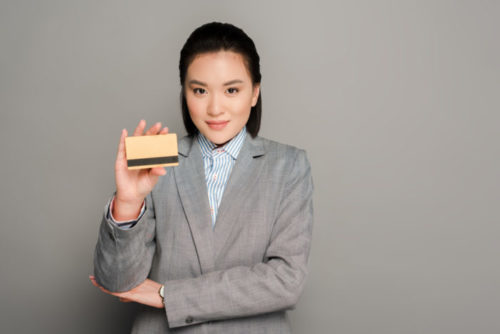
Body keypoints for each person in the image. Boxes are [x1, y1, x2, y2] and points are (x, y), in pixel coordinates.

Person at [90, 22, 313, 333]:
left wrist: (168, 295)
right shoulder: (154, 155)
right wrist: (128, 202)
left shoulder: (288, 165)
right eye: (199, 90)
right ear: (185, 92)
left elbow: (285, 281)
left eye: (232, 90)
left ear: (254, 93)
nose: (215, 108)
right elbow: (117, 282)